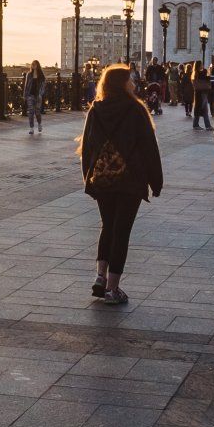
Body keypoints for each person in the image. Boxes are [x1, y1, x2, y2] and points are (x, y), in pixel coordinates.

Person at [78, 64, 164, 307]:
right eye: (130, 80)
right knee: (121, 231)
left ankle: (100, 276)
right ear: (123, 84)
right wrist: (156, 181)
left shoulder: (96, 109)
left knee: (108, 226)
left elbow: (87, 147)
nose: (134, 84)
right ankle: (112, 289)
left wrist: (89, 178)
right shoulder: (136, 109)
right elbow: (149, 148)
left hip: (103, 178)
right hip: (130, 179)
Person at [23, 60, 47, 135]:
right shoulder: (29, 74)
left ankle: (39, 124)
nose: (33, 66)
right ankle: (31, 128)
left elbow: (43, 86)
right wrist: (25, 95)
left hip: (38, 96)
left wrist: (40, 94)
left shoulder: (41, 75)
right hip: (30, 95)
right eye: (32, 64)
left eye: (35, 64)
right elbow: (26, 86)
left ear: (38, 65)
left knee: (37, 112)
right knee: (30, 112)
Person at [191, 63, 214, 129]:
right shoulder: (199, 73)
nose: (202, 66)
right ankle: (202, 125)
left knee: (202, 109)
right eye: (201, 64)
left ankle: (202, 125)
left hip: (199, 93)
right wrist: (209, 70)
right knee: (202, 109)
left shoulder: (195, 73)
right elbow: (206, 77)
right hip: (202, 93)